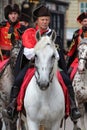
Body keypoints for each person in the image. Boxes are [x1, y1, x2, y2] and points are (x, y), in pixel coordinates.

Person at [6, 4, 81, 121]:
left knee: (66, 80)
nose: (45, 22)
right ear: (37, 21)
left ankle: (73, 107)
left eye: (47, 20)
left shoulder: (55, 36)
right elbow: (27, 53)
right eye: (42, 20)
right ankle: (12, 106)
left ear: (49, 20)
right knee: (18, 79)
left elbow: (58, 55)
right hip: (32, 66)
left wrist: (53, 52)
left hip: (52, 67)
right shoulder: (30, 33)